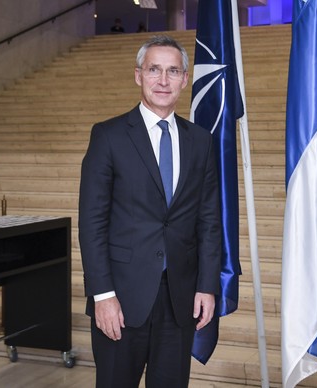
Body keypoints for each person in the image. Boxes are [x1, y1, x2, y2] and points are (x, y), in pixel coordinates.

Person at [79, 35, 221, 388]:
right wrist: (103, 295)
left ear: (185, 79)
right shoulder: (108, 136)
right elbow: (92, 222)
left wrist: (206, 286)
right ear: (138, 75)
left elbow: (208, 220)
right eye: (154, 69)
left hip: (180, 300)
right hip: (122, 301)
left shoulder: (201, 141)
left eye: (173, 71)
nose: (163, 80)